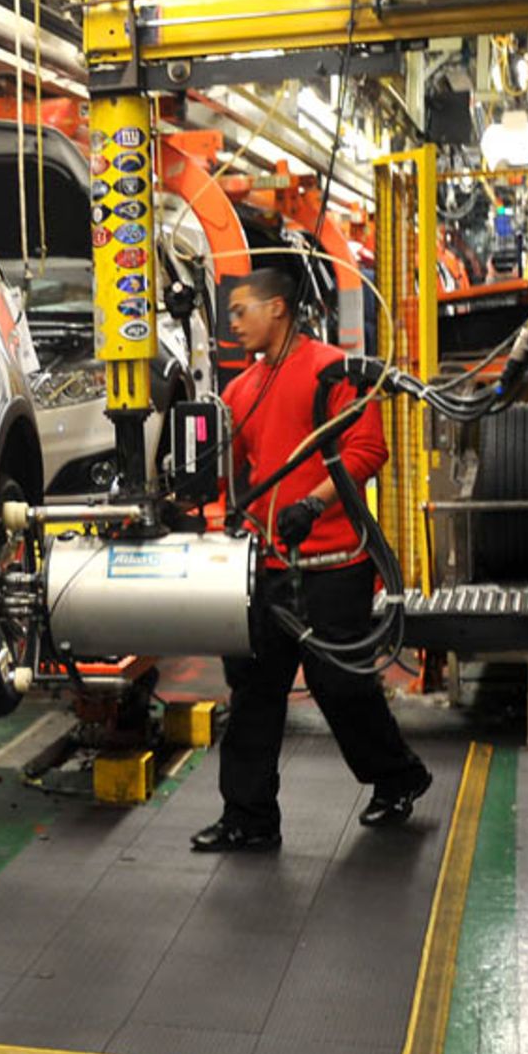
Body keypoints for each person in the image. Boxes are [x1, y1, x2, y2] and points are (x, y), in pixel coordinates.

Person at [192, 268, 433, 853]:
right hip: (267, 566)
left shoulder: (333, 371)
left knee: (340, 686)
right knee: (253, 692)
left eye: (242, 310)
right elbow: (233, 473)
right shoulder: (240, 391)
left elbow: (368, 449)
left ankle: (397, 777)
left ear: (278, 308)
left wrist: (313, 502)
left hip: (334, 561)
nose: (233, 323)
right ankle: (249, 817)